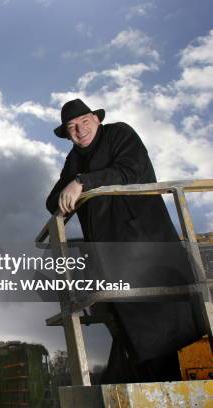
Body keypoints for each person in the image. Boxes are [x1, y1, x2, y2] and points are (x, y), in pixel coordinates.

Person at [46, 99, 202, 383]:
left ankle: (169, 383)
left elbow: (132, 170)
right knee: (126, 324)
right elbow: (52, 202)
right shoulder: (73, 160)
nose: (80, 131)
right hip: (109, 255)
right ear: (67, 134)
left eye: (84, 122)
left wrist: (83, 182)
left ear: (97, 119)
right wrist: (69, 186)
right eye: (72, 128)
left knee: (162, 318)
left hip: (144, 242)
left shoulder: (119, 134)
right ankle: (146, 383)